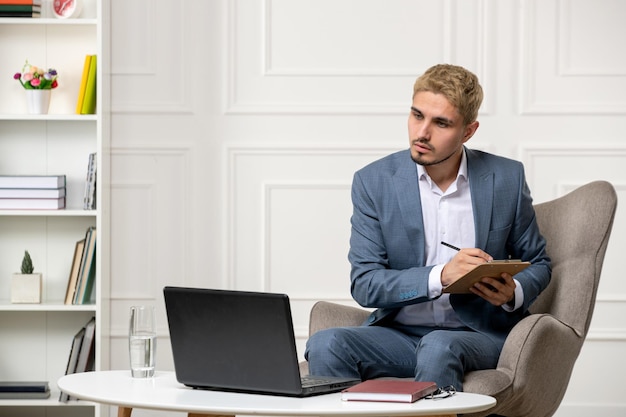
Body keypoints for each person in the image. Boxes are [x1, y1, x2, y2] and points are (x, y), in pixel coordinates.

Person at [304, 64, 551, 391]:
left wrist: (513, 293)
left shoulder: (505, 178)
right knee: (326, 343)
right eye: (417, 115)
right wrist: (441, 276)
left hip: (478, 335)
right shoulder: (374, 182)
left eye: (441, 123)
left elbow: (540, 263)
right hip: (399, 335)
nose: (422, 132)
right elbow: (365, 284)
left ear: (468, 131)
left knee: (439, 344)